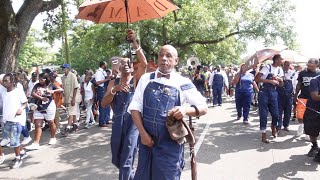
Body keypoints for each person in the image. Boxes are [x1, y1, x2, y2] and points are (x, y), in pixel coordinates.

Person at [128, 45, 208, 180]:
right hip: (147, 142)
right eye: (161, 55)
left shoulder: (182, 82)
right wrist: (143, 134)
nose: (164, 58)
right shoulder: (145, 79)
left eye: (169, 56)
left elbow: (203, 107)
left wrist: (185, 110)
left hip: (170, 145)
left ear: (176, 61)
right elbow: (135, 107)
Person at [102, 30, 147, 180]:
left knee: (128, 154)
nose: (126, 65)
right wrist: (115, 90)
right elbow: (103, 103)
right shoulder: (112, 83)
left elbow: (144, 63)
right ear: (118, 68)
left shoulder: (136, 80)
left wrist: (134, 42)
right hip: (117, 121)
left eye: (129, 63)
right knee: (118, 158)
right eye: (123, 63)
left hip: (133, 121)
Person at [26, 73, 63, 150]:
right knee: (37, 124)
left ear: (46, 79)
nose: (39, 80)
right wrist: (41, 98)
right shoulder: (37, 85)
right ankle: (36, 143)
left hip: (49, 106)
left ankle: (53, 137)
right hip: (39, 106)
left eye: (41, 79)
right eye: (39, 79)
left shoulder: (51, 85)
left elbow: (61, 89)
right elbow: (32, 93)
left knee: (51, 122)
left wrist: (52, 91)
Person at [0, 73, 28, 168]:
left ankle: (18, 159)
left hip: (16, 120)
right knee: (10, 140)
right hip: (7, 120)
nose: (4, 83)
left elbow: (25, 103)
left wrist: (21, 109)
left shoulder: (18, 91)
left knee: (14, 141)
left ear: (12, 82)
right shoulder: (4, 93)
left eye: (6, 81)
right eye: (3, 81)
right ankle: (22, 152)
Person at [255, 54, 284, 143]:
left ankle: (273, 126)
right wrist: (270, 81)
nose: (282, 61)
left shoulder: (280, 70)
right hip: (264, 92)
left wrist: (280, 80)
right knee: (263, 114)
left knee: (276, 114)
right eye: (281, 59)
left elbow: (281, 85)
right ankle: (263, 134)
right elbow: (257, 78)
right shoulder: (267, 68)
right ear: (276, 60)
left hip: (274, 93)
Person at [294, 59, 320, 137]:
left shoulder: (318, 74)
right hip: (303, 97)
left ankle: (308, 133)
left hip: (314, 100)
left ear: (316, 64)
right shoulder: (302, 73)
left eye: (310, 63)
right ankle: (301, 125)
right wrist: (295, 95)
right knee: (300, 115)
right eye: (308, 62)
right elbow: (299, 84)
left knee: (312, 116)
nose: (308, 64)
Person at [277, 61, 297, 131]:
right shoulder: (278, 72)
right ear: (282, 65)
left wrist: (295, 94)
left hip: (289, 95)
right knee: (279, 110)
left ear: (289, 66)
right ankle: (278, 126)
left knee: (288, 110)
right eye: (285, 65)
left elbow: (295, 84)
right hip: (279, 94)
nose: (286, 67)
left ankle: (286, 125)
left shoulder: (293, 73)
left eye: (288, 65)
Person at [304, 72, 320, 161]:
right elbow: (314, 96)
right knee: (312, 131)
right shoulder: (315, 80)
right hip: (314, 110)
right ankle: (314, 145)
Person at [61, 64, 79, 132]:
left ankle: (68, 127)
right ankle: (75, 125)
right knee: (73, 113)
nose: (62, 69)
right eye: (62, 68)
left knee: (70, 113)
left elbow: (75, 88)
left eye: (64, 68)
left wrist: (73, 99)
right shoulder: (63, 77)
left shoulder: (72, 76)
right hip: (67, 98)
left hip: (73, 98)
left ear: (68, 68)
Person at [94, 61, 111, 127]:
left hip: (105, 89)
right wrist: (106, 79)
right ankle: (102, 122)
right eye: (106, 64)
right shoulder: (98, 72)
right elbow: (97, 82)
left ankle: (106, 120)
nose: (106, 66)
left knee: (107, 104)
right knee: (103, 105)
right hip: (101, 90)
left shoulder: (103, 72)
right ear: (103, 65)